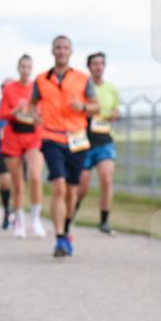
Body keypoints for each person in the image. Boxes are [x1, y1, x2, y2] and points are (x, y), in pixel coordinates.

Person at [30, 35, 98, 257]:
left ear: (71, 51)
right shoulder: (41, 79)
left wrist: (83, 106)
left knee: (71, 191)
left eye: (65, 48)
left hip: (77, 139)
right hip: (51, 137)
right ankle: (59, 238)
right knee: (58, 185)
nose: (61, 51)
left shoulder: (82, 78)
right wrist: (35, 116)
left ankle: (67, 228)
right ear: (52, 51)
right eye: (58, 48)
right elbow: (32, 105)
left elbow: (96, 107)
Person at [0, 55, 47, 239]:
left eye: (28, 67)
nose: (25, 70)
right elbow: (3, 113)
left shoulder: (38, 88)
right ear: (18, 68)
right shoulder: (10, 89)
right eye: (22, 67)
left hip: (33, 137)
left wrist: (35, 114)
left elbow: (43, 113)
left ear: (32, 69)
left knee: (35, 177)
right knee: (18, 183)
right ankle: (19, 221)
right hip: (13, 138)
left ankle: (35, 219)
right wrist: (16, 109)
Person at [76, 52, 120, 235]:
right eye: (95, 64)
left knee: (106, 178)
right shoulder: (82, 87)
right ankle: (72, 211)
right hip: (84, 140)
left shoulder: (111, 88)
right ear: (89, 67)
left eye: (101, 63)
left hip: (105, 140)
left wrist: (114, 114)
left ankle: (104, 221)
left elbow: (116, 109)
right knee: (82, 185)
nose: (98, 67)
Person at [0, 79, 14, 229]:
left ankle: (16, 212)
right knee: (5, 182)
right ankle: (7, 211)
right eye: (4, 86)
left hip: (19, 149)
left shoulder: (20, 103)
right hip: (1, 148)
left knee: (17, 183)